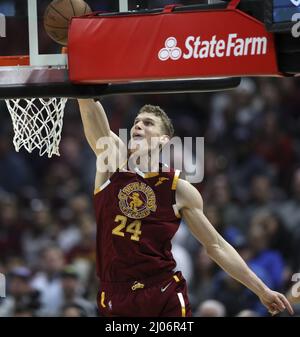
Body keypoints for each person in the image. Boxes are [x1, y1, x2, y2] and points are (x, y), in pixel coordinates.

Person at [78, 99, 294, 317]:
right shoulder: (113, 162)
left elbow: (216, 245)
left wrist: (262, 290)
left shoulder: (179, 189)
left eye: (148, 123)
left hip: (161, 292)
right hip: (114, 293)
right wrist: (82, 90)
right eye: (136, 122)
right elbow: (89, 107)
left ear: (164, 140)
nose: (138, 126)